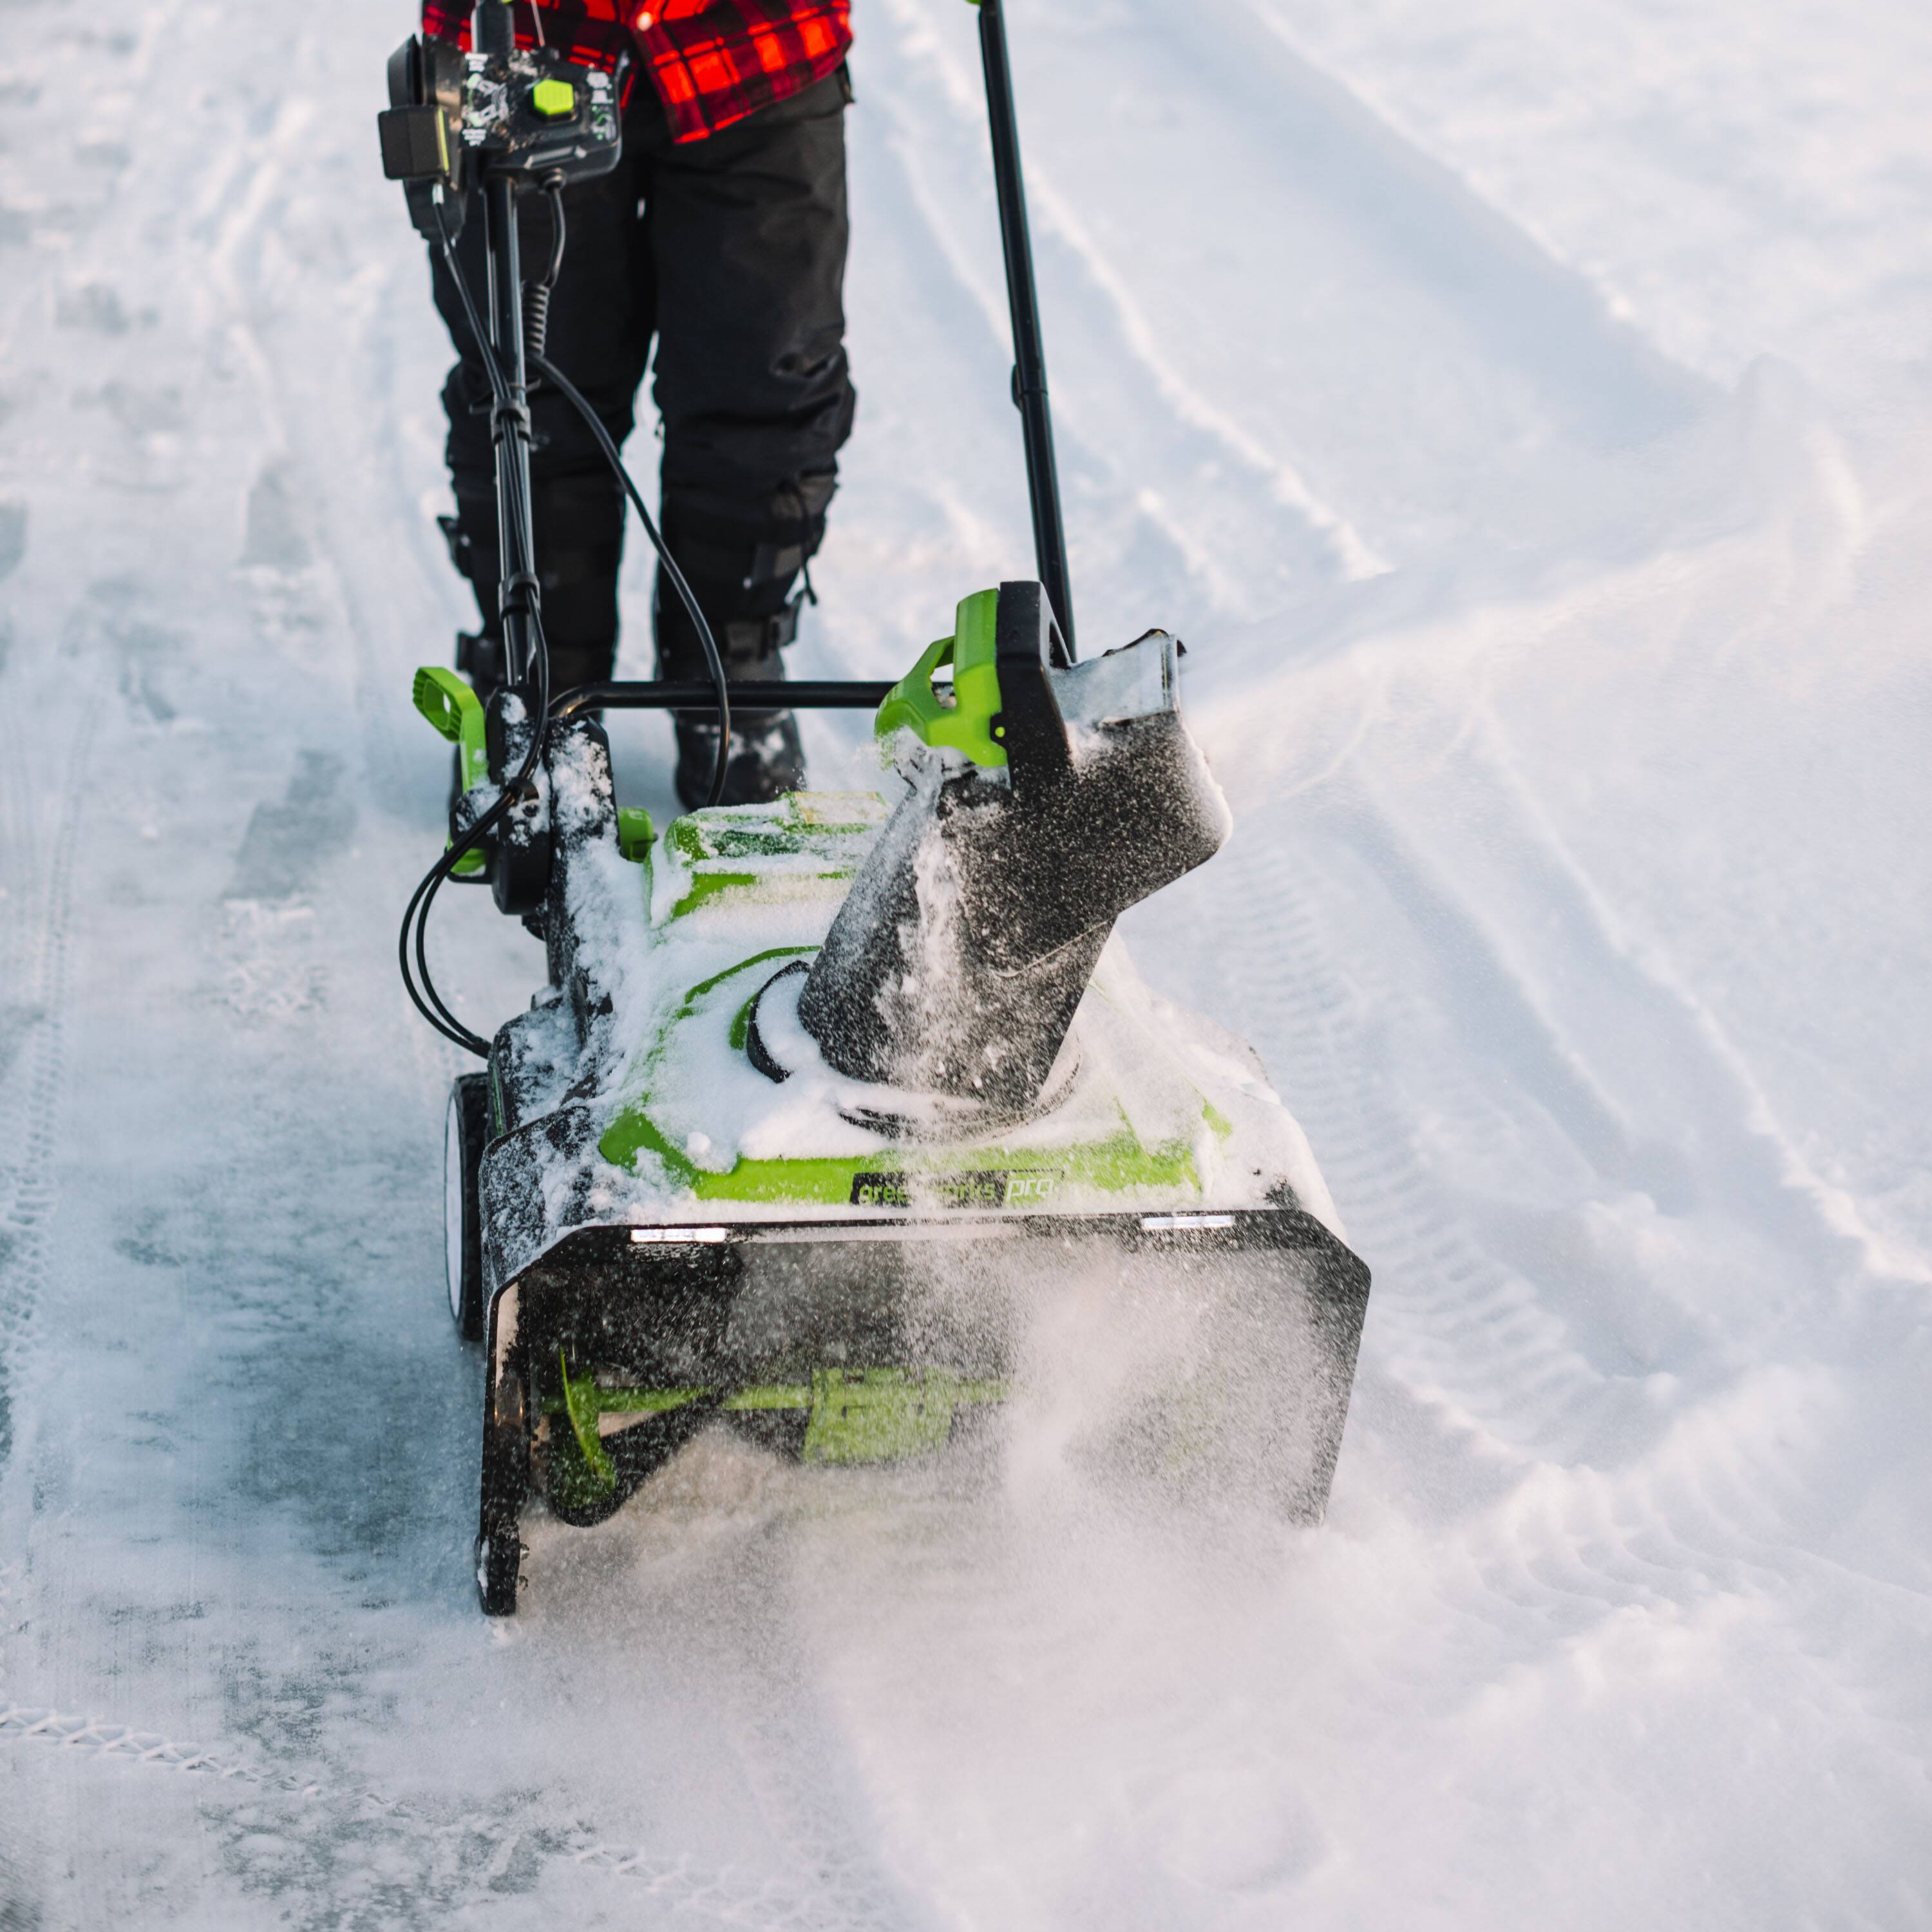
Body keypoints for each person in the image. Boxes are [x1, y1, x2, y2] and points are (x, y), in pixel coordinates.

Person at [422, 0, 857, 806]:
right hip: (520, 39)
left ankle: (730, 670)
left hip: (760, 43)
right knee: (527, 388)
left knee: (767, 380)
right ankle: (539, 684)